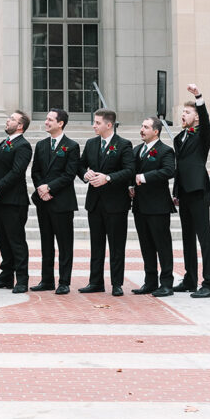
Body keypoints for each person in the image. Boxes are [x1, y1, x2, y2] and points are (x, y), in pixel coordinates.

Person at [78, 108, 134, 296]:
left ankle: (117, 284)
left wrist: (108, 178)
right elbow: (80, 164)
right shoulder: (91, 143)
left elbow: (129, 171)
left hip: (116, 204)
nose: (94, 125)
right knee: (96, 244)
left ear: (109, 125)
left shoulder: (124, 144)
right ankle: (95, 282)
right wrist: (84, 174)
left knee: (117, 246)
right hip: (94, 202)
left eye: (97, 123)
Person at [173, 83, 210, 298]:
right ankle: (190, 279)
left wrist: (198, 96)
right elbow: (178, 167)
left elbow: (207, 121)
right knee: (187, 237)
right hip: (183, 192)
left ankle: (209, 284)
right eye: (183, 111)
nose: (183, 114)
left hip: (199, 190)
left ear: (196, 117)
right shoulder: (179, 138)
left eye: (188, 112)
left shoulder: (203, 135)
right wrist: (175, 192)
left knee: (203, 238)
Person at [30, 108, 80, 294]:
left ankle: (64, 281)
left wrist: (49, 188)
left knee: (65, 244)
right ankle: (47, 280)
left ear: (60, 123)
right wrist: (41, 189)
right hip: (43, 201)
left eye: (50, 119)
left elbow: (69, 174)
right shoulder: (41, 145)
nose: (46, 122)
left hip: (62, 202)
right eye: (46, 119)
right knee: (46, 242)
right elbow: (35, 171)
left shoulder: (71, 146)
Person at [0, 110, 33, 294]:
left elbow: (17, 171)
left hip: (14, 201)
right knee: (3, 240)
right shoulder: (4, 143)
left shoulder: (23, 146)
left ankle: (21, 279)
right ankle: (6, 277)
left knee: (16, 241)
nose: (8, 120)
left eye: (12, 119)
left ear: (20, 126)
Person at [130, 115, 176, 297]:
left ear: (156, 131)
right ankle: (150, 282)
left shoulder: (165, 151)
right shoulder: (136, 150)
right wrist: (130, 185)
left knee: (162, 246)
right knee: (146, 245)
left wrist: (144, 177)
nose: (142, 130)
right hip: (140, 206)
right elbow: (130, 172)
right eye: (141, 126)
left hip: (158, 206)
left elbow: (168, 171)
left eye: (146, 127)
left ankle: (166, 284)